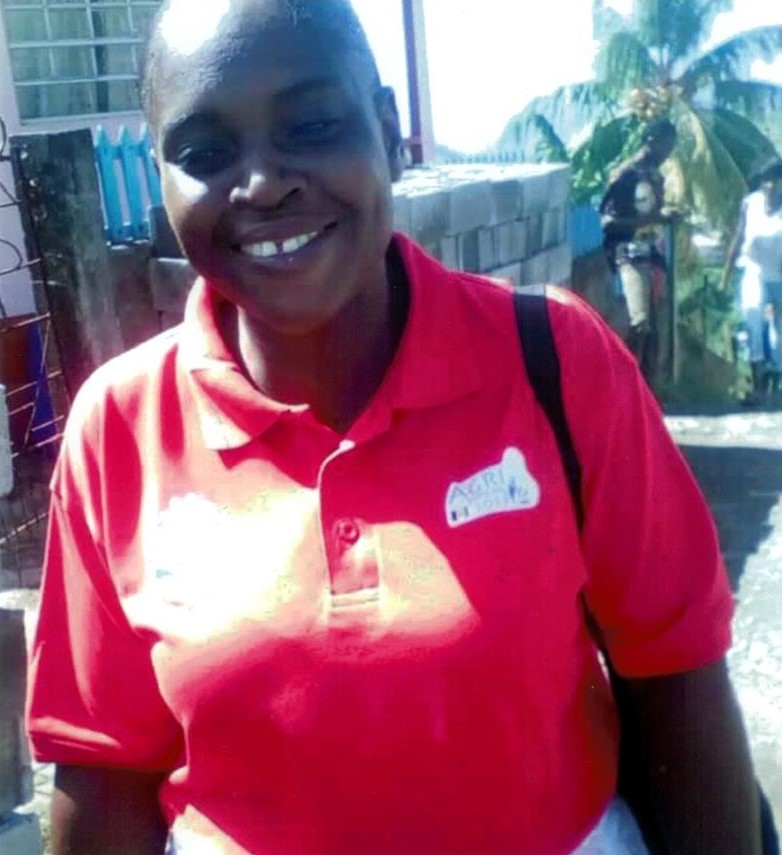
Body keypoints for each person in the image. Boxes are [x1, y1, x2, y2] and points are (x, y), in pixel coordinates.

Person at [26, 2, 763, 853]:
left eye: (311, 125)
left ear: (389, 131)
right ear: (161, 177)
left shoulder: (557, 363)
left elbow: (678, 676)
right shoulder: (118, 429)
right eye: (203, 152)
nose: (261, 182)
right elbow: (104, 768)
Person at [599, 119, 680, 385]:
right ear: (651, 141)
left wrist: (665, 217)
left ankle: (647, 393)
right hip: (628, 255)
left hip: (652, 256)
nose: (668, 153)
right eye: (666, 146)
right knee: (640, 323)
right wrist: (653, 219)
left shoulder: (655, 176)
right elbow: (608, 222)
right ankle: (624, 384)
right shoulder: (626, 174)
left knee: (654, 332)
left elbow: (649, 213)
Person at [722, 158, 782, 404]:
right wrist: (725, 275)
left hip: (779, 273)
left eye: (776, 182)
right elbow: (738, 237)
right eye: (767, 181)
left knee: (778, 330)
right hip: (754, 269)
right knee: (752, 316)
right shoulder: (751, 204)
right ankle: (758, 382)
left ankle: (776, 379)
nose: (771, 187)